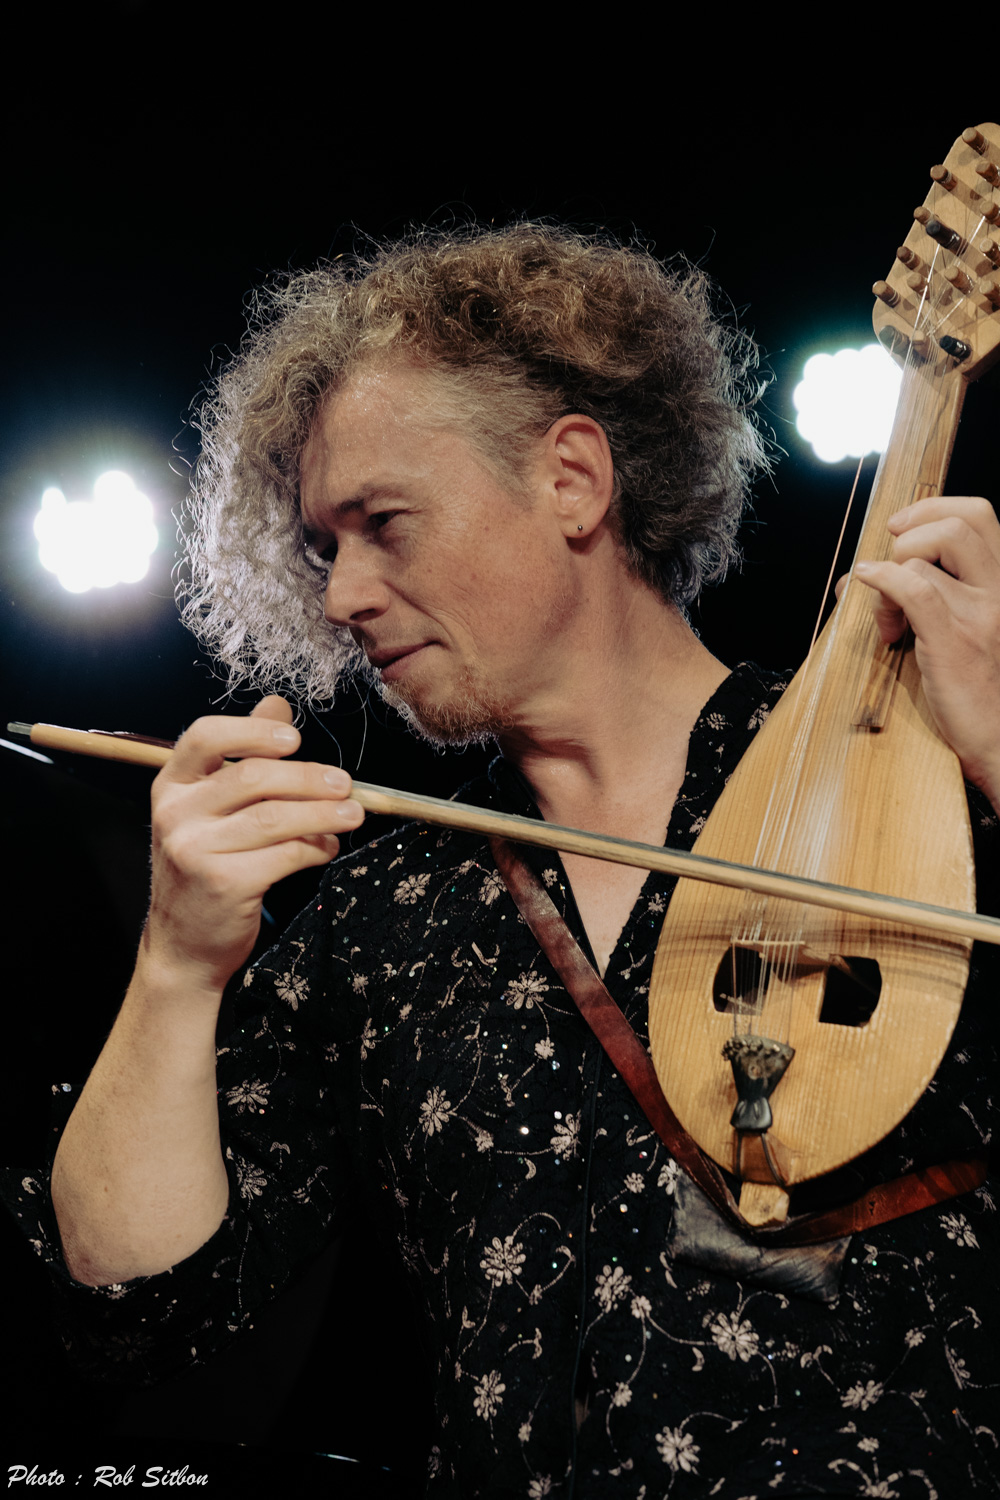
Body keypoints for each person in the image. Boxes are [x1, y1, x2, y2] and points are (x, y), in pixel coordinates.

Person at [9, 226, 1000, 1496]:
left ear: (571, 479)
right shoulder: (383, 913)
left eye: (382, 523)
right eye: (324, 549)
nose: (342, 596)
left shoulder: (936, 777)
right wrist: (176, 961)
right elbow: (135, 1309)